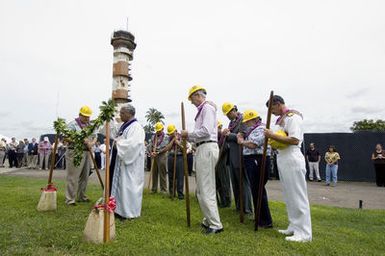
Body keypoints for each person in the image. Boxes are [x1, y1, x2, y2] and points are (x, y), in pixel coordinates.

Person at [264, 95, 312, 242]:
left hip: (292, 156)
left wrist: (272, 135)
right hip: (282, 156)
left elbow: (294, 139)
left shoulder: (292, 117)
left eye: (272, 109)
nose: (271, 113)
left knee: (297, 196)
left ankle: (304, 233)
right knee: (289, 195)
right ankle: (294, 225)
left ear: (278, 104)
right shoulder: (281, 119)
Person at [181, 85, 223, 235]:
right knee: (201, 188)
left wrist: (189, 134)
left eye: (192, 99)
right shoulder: (202, 111)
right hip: (201, 148)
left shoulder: (207, 108)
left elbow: (205, 131)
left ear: (198, 96)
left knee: (206, 188)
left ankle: (215, 224)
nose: (192, 102)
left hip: (207, 147)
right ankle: (208, 220)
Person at [237, 109, 273, 228]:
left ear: (255, 119)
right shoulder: (252, 130)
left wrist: (242, 141)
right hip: (251, 159)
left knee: (258, 189)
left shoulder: (262, 129)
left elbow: (253, 144)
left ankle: (265, 220)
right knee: (255, 189)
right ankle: (259, 216)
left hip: (258, 159)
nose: (246, 124)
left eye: (248, 122)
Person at [110, 104, 145, 219]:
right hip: (120, 162)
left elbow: (133, 144)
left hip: (130, 164)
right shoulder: (124, 126)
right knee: (121, 186)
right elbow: (113, 131)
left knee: (128, 187)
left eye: (122, 113)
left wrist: (118, 143)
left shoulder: (136, 127)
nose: (120, 115)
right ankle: (117, 208)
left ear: (129, 113)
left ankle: (128, 212)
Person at [221, 102, 253, 215]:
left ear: (234, 110)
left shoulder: (243, 120)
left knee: (243, 183)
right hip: (232, 156)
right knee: (235, 182)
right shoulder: (231, 123)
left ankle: (247, 208)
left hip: (240, 155)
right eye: (226, 114)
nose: (228, 116)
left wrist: (229, 135)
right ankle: (239, 207)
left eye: (229, 113)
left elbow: (243, 135)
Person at [65, 106, 96, 206]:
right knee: (73, 176)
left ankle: (81, 196)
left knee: (85, 175)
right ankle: (70, 199)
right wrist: (81, 140)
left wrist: (92, 142)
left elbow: (95, 136)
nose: (87, 118)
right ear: (80, 115)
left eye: (88, 116)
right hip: (75, 151)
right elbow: (66, 138)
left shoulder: (90, 125)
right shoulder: (72, 125)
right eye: (85, 116)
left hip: (87, 151)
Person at [164, 124, 185, 200]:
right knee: (171, 176)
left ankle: (180, 195)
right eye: (170, 133)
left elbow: (184, 149)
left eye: (172, 133)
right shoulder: (169, 138)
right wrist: (173, 140)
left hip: (179, 157)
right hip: (171, 157)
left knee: (179, 176)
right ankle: (172, 193)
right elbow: (167, 148)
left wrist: (178, 143)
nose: (171, 134)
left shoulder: (182, 137)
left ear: (175, 131)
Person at [148, 122, 168, 194]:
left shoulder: (166, 137)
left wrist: (157, 152)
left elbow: (165, 147)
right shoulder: (153, 136)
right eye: (157, 130)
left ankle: (163, 190)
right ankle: (154, 189)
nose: (158, 131)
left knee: (162, 173)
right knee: (154, 173)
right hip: (154, 156)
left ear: (162, 129)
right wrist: (151, 152)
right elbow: (150, 145)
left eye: (159, 130)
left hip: (161, 156)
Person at [216, 121, 232, 208]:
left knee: (224, 182)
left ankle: (227, 201)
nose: (218, 130)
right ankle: (222, 200)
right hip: (217, 163)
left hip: (223, 162)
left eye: (219, 128)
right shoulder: (216, 137)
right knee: (218, 183)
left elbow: (225, 148)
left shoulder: (224, 137)